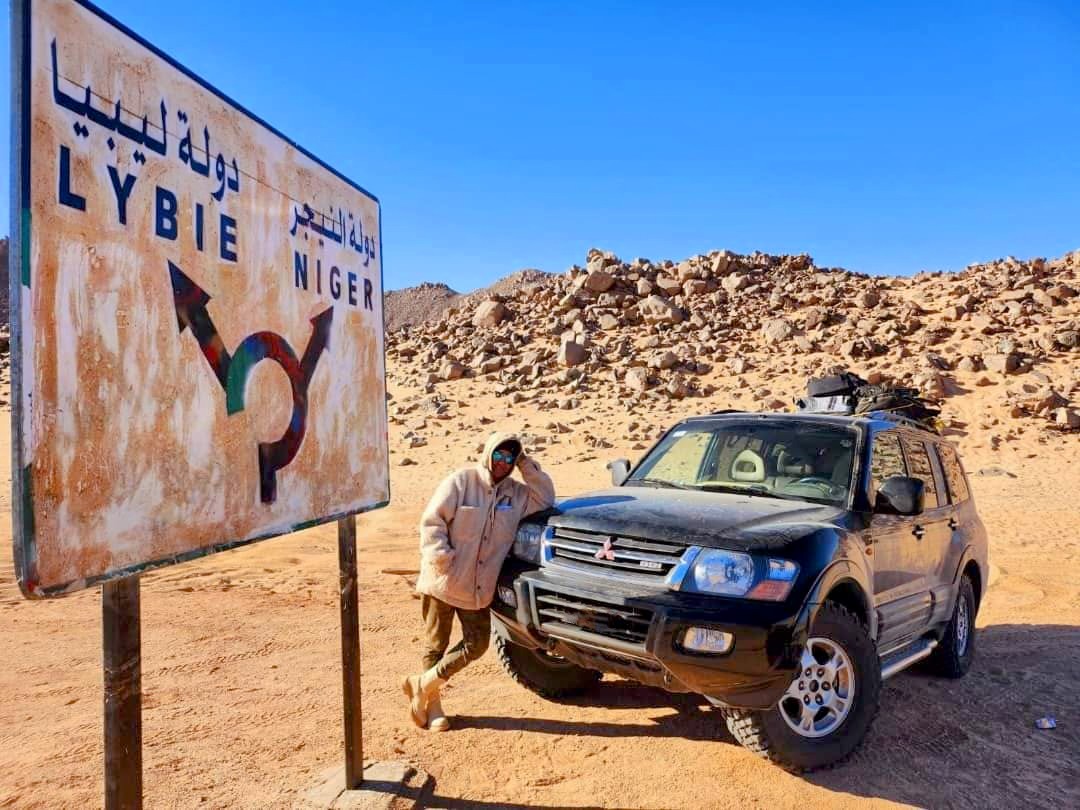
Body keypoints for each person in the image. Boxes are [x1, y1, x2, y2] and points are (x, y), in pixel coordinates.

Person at [403, 432, 555, 731]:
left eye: (509, 458)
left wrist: (525, 462)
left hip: (478, 589)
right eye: (498, 456)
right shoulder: (461, 482)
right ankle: (433, 705)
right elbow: (431, 522)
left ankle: (422, 683)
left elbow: (545, 498)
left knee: (477, 644)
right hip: (443, 581)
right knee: (436, 644)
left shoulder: (517, 494)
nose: (502, 463)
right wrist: (441, 559)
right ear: (488, 454)